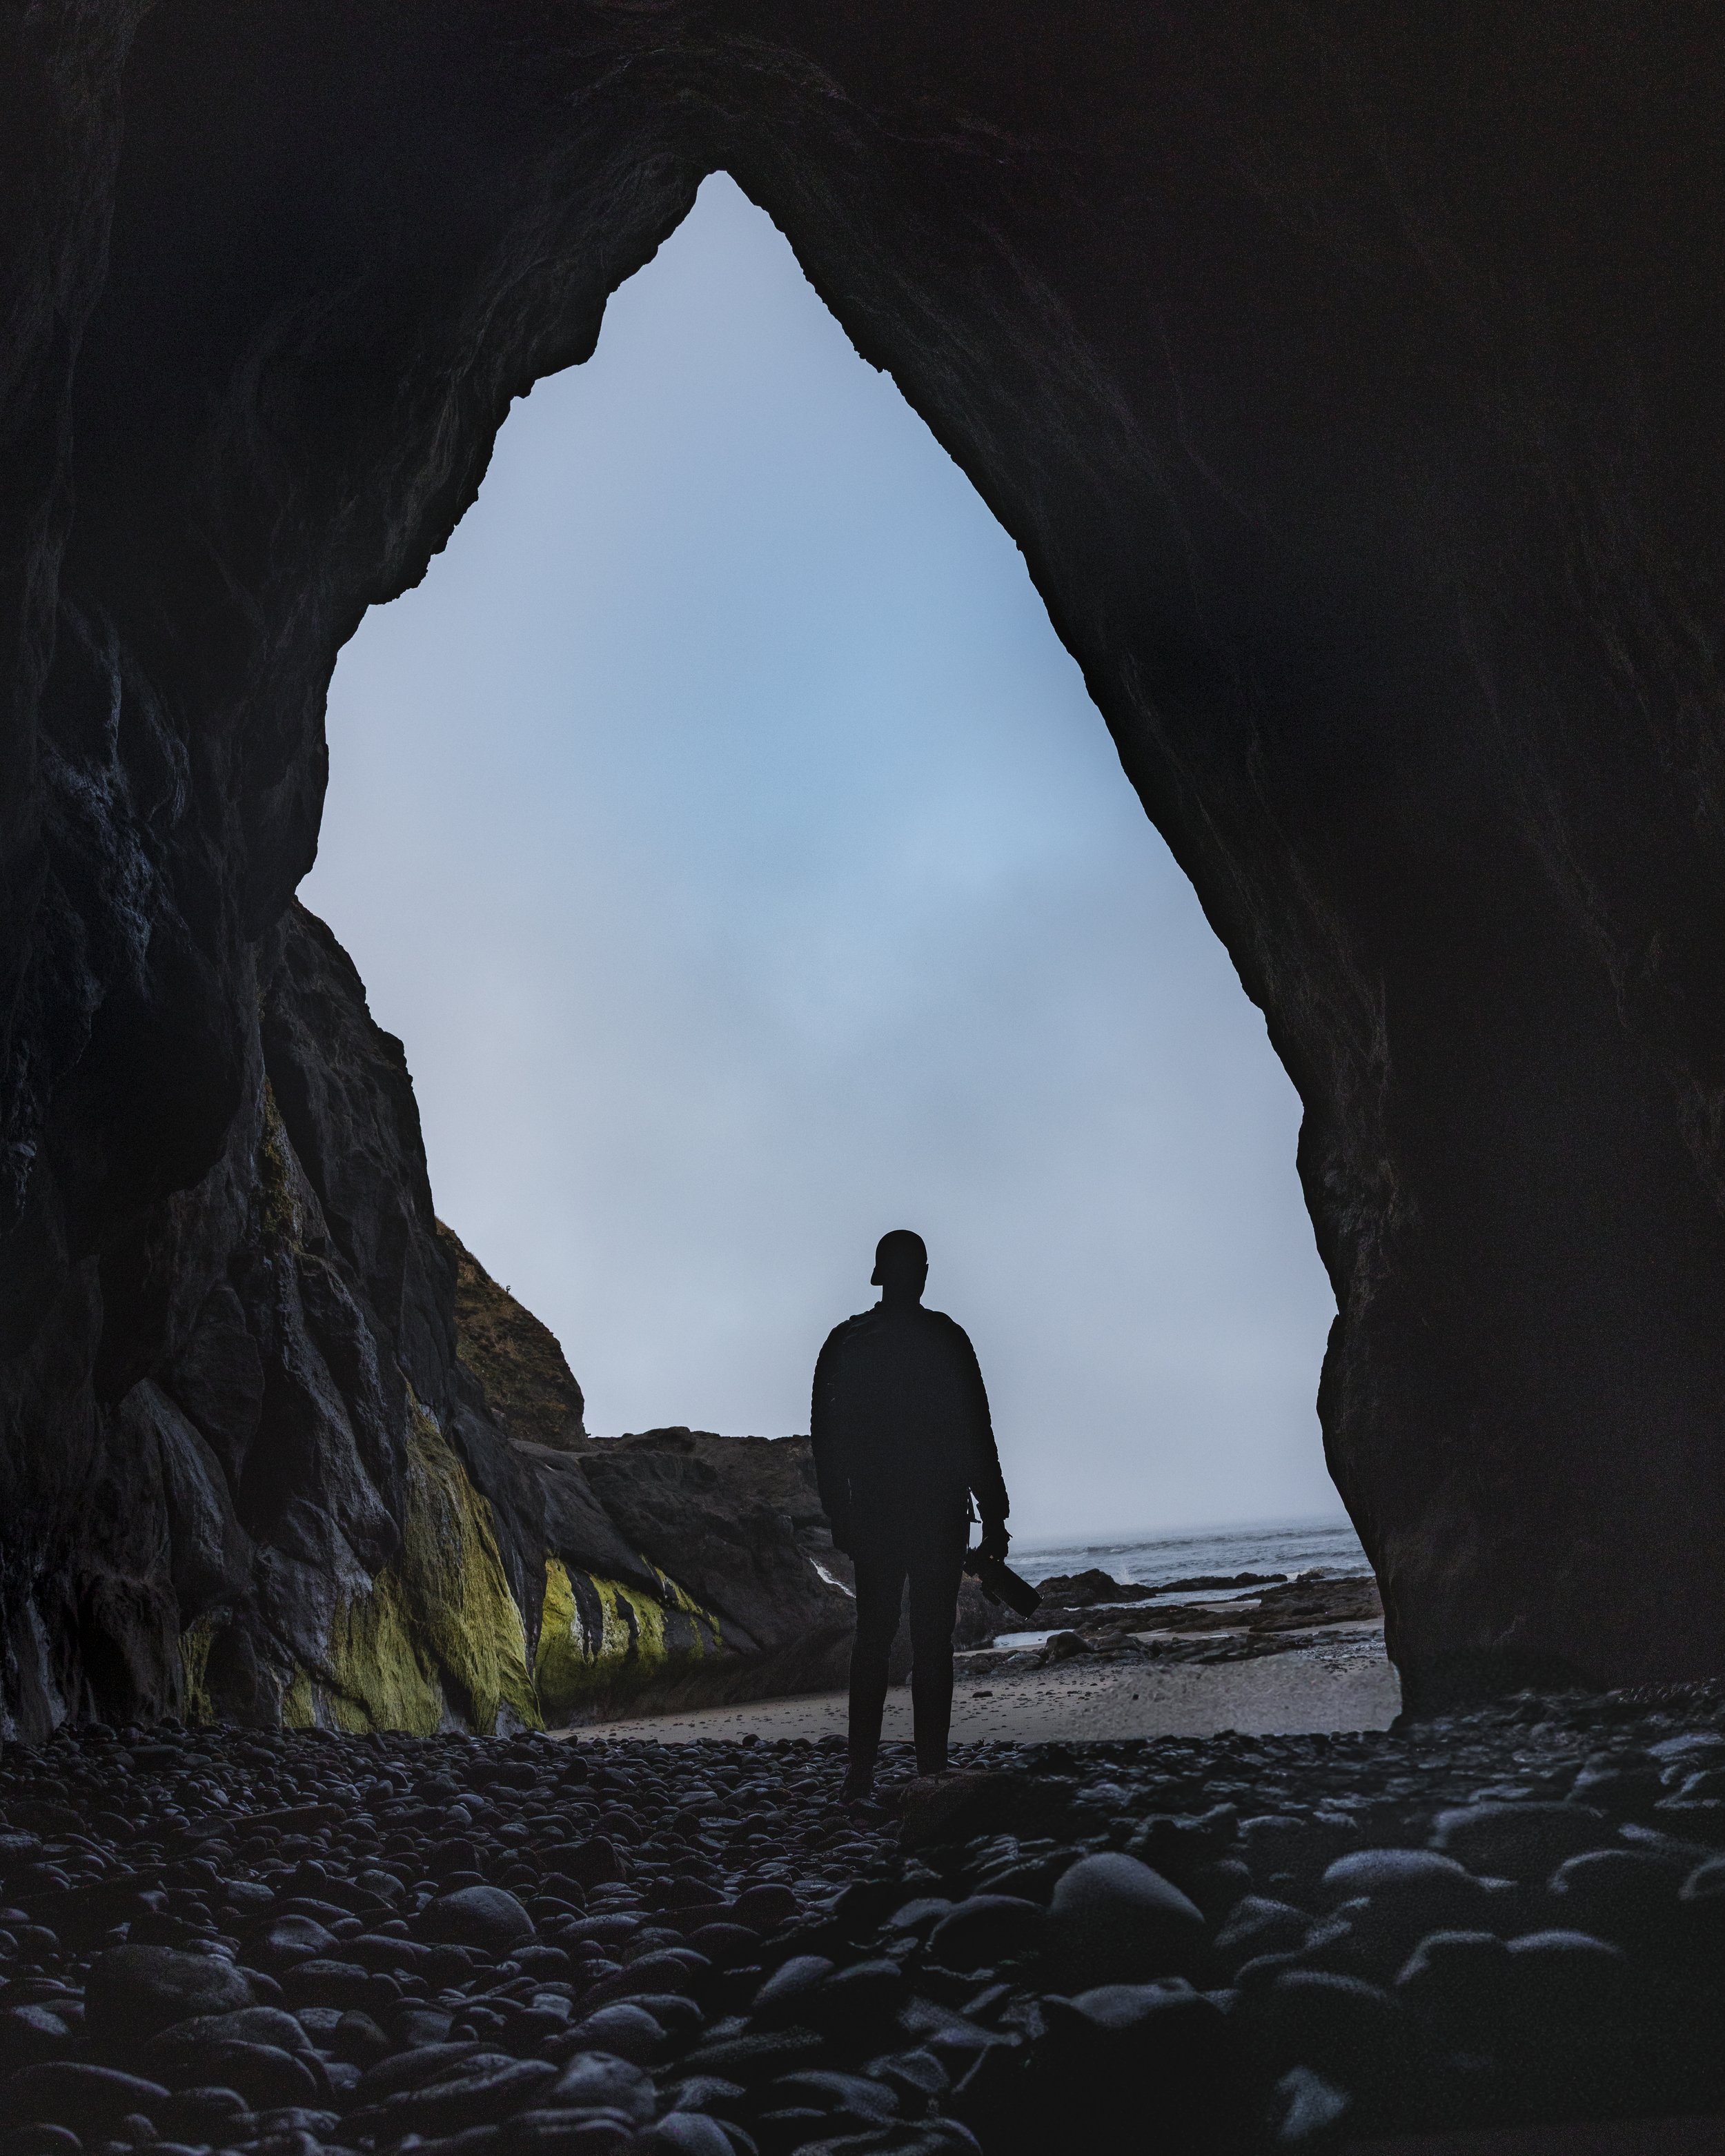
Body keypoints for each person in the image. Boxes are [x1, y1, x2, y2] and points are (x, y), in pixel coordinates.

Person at [810, 1229, 1011, 1801]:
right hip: (935, 1512)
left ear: (880, 1274)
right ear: (922, 1273)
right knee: (930, 1641)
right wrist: (995, 1514)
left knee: (874, 1638)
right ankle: (929, 1769)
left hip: (877, 1512)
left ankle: (861, 1772)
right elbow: (978, 1431)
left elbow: (825, 1438)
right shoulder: (945, 1338)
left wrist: (839, 1511)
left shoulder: (847, 1341)